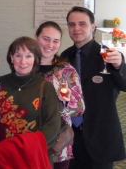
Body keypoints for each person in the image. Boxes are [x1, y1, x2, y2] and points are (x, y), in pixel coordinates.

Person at [61, 6, 126, 169]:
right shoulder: (63, 57)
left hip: (100, 136)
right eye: (72, 24)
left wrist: (118, 66)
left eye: (82, 24)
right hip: (70, 136)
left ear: (93, 26)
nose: (76, 28)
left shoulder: (109, 55)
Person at [0, 36, 61, 164]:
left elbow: (53, 126)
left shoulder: (45, 87)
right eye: (18, 55)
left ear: (35, 59)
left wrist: (28, 148)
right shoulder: (0, 82)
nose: (23, 61)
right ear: (11, 58)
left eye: (29, 56)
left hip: (30, 156)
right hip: (2, 155)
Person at [35, 21, 85, 169]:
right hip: (29, 140)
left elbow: (80, 110)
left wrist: (68, 101)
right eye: (46, 39)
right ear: (36, 38)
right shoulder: (25, 66)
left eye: (55, 41)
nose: (50, 44)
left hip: (58, 143)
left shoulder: (67, 71)